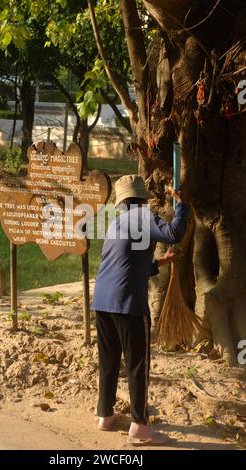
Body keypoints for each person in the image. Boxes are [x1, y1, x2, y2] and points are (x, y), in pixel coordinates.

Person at [91, 174, 189, 446]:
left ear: (121, 201)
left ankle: (105, 415)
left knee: (109, 361)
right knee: (137, 366)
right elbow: (174, 233)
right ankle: (139, 427)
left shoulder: (116, 223)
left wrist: (160, 262)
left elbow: (125, 264)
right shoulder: (144, 216)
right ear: (142, 198)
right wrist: (180, 204)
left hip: (101, 301)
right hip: (129, 304)